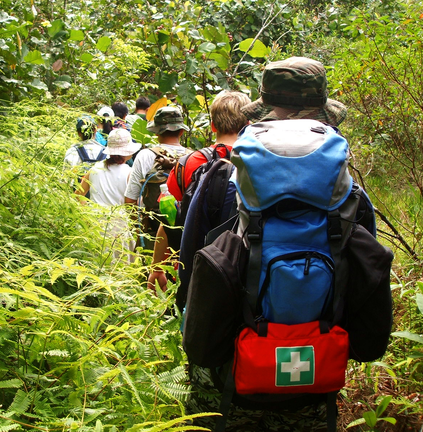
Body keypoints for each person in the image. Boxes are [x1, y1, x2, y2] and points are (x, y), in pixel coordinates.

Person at [185, 56, 348, 432]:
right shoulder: (344, 190)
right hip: (313, 369)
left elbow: (190, 268)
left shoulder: (222, 176)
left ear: (262, 111)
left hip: (229, 372)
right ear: (321, 111)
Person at [147, 90, 251, 293]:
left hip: (196, 265)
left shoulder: (189, 164)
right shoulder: (256, 161)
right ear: (248, 124)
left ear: (212, 126)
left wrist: (157, 267)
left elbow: (169, 219)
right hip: (244, 267)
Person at [123, 106, 191, 255]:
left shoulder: (145, 155)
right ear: (181, 131)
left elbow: (130, 200)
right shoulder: (193, 157)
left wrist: (138, 230)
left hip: (152, 232)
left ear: (156, 132)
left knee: (152, 274)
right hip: (187, 234)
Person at [75, 128, 141, 263]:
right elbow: (131, 205)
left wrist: (87, 213)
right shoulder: (129, 173)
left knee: (95, 262)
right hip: (119, 224)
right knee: (119, 265)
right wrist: (136, 228)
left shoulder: (94, 169)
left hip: (95, 222)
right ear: (128, 152)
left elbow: (78, 195)